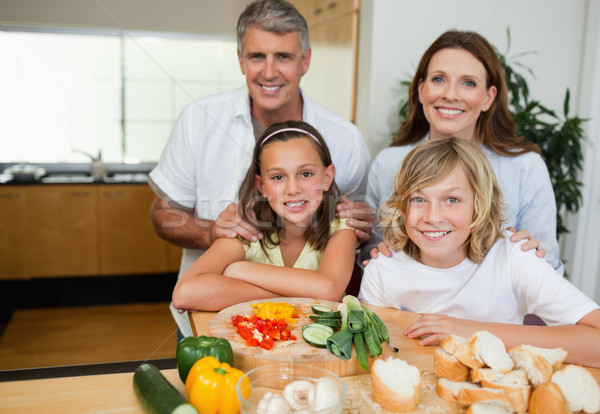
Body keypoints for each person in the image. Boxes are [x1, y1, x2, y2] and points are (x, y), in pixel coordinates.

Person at [149, 0, 371, 337]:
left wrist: (237, 271)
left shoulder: (347, 137)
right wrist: (213, 232)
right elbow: (164, 217)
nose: (269, 72)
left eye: (283, 56)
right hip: (213, 323)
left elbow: (347, 243)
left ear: (305, 61)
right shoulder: (198, 120)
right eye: (257, 56)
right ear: (241, 60)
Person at [358, 138, 600, 367]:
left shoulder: (514, 257)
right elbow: (370, 355)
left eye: (452, 199)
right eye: (419, 199)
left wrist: (470, 331)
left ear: (480, 204)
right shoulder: (382, 270)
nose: (432, 217)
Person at [364, 30, 561, 273]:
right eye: (438, 79)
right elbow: (369, 251)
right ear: (422, 90)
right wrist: (376, 254)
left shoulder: (525, 168)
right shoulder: (388, 163)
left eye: (468, 83)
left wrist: (534, 260)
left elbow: (549, 267)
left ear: (488, 97)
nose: (450, 94)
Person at [172, 121, 357, 311]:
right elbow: (185, 292)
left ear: (327, 178)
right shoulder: (246, 229)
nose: (293, 189)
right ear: (262, 186)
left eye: (306, 173)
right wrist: (301, 294)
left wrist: (239, 270)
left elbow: (329, 289)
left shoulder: (341, 228)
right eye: (278, 177)